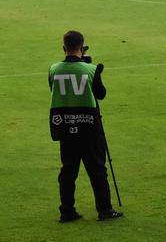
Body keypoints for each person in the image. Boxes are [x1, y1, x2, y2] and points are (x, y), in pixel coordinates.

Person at [49, 30, 123, 222]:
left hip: (65, 126)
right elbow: (101, 94)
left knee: (68, 170)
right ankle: (104, 209)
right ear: (82, 47)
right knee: (97, 169)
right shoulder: (91, 69)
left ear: (64, 48)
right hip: (89, 126)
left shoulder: (54, 69)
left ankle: (67, 210)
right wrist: (91, 67)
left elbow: (54, 89)